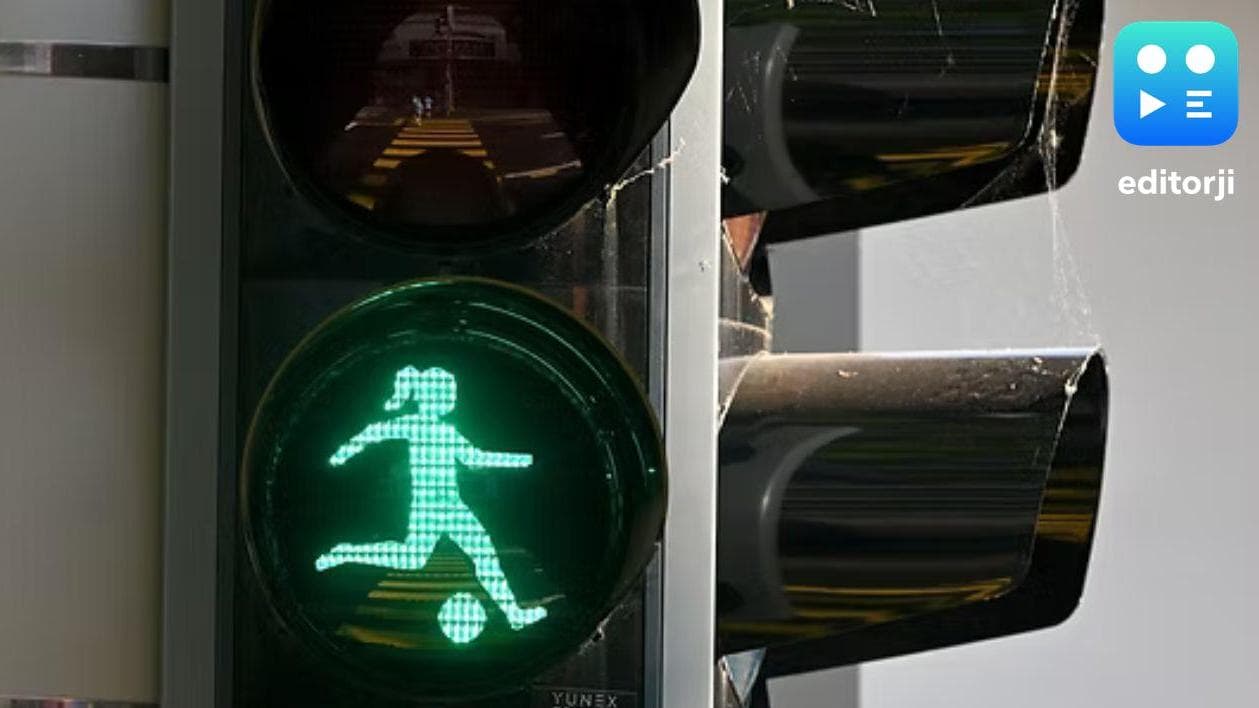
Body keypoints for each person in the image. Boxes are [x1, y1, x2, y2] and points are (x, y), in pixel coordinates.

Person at [314, 366, 547, 632]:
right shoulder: (412, 424)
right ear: (433, 396)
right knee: (413, 559)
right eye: (448, 393)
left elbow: (476, 458)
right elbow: (374, 430)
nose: (452, 398)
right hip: (427, 510)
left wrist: (521, 461)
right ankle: (346, 552)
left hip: (453, 506)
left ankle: (514, 614)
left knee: (485, 556)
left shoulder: (448, 431)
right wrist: (343, 453)